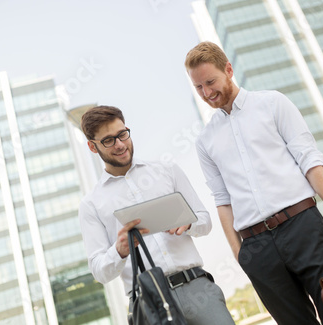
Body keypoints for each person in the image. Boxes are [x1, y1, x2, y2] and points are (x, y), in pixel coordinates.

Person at [185, 41, 323, 325]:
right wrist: (239, 253)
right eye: (198, 88)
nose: (206, 93)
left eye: (210, 82)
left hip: (303, 226)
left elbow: (311, 163)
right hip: (256, 246)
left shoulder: (272, 103)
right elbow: (222, 199)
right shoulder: (205, 140)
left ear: (228, 70)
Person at [78, 105, 235, 325]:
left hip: (196, 288)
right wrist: (119, 251)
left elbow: (205, 221)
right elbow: (99, 272)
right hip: (149, 303)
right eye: (109, 140)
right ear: (92, 147)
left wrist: (188, 224)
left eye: (123, 134)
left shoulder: (167, 170)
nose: (120, 144)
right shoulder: (91, 204)